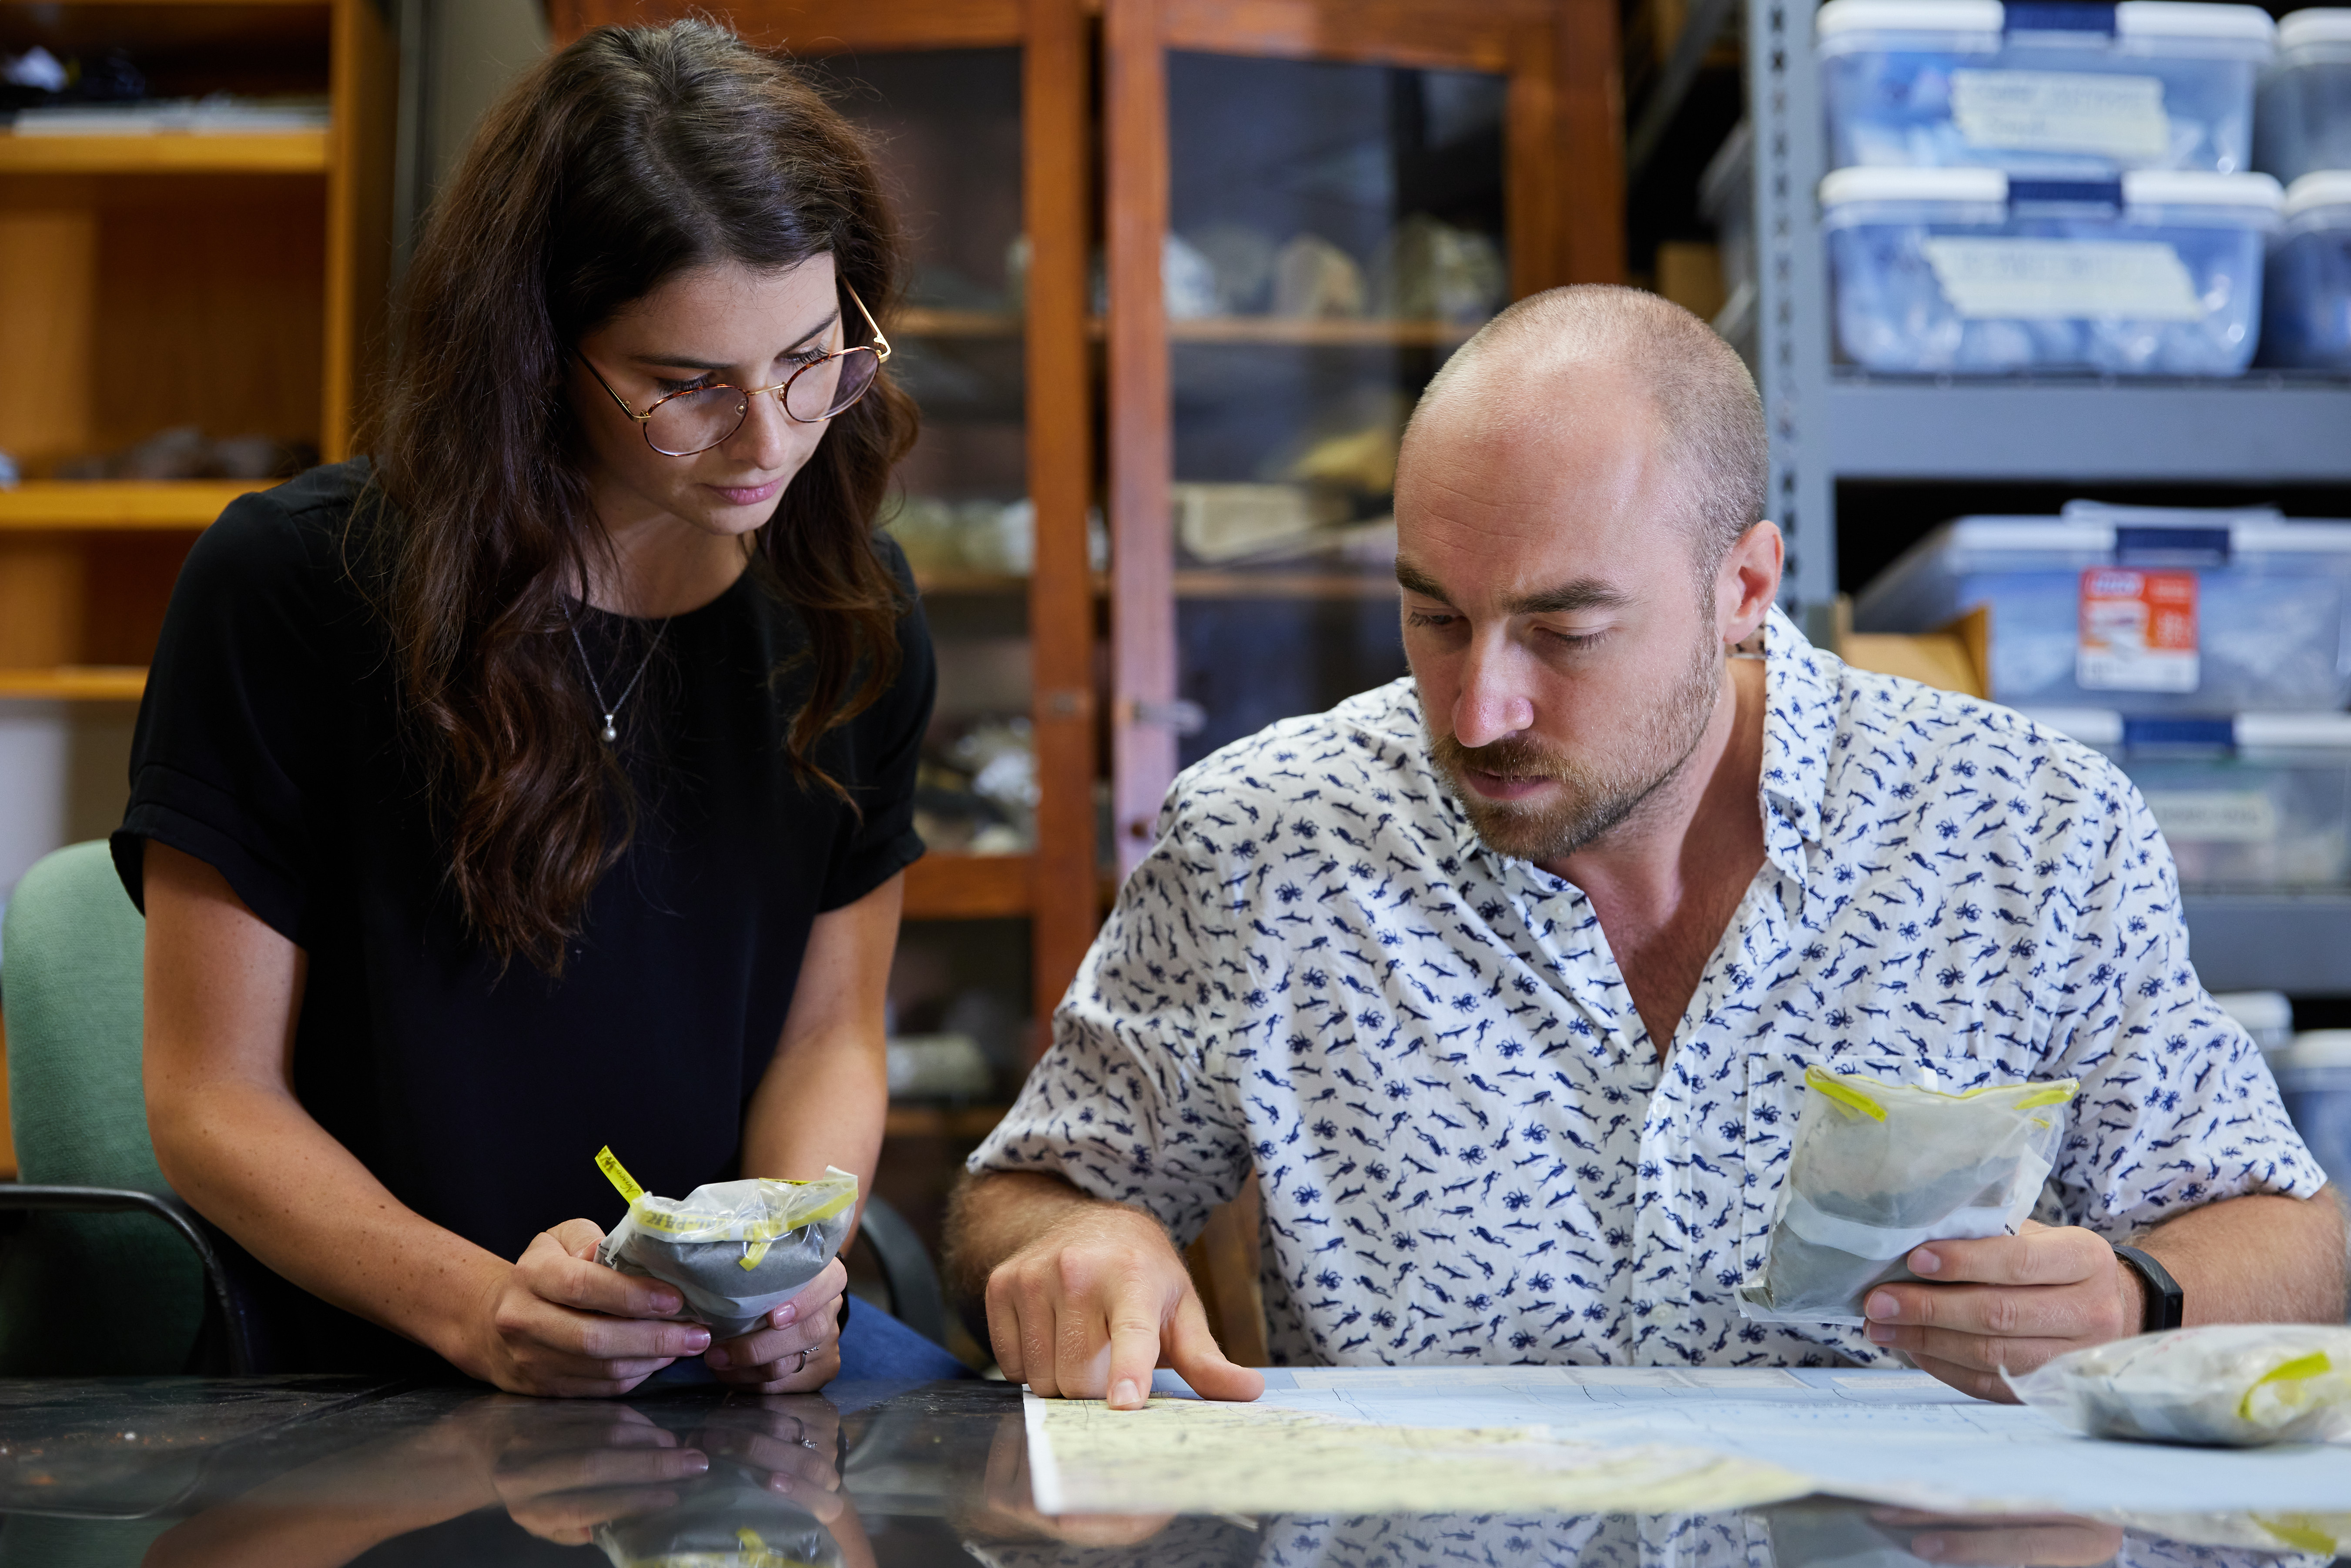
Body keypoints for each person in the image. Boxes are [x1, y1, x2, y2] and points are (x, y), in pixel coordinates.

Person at [946, 285, 2345, 1408]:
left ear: (1740, 584)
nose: (1479, 706)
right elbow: (1018, 1201)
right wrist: (1088, 1241)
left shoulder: (2024, 831)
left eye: (1564, 630)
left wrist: (2134, 1298)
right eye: (1433, 616)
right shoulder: (1266, 842)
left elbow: (2289, 1235)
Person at [122, 21, 960, 1395]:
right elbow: (211, 1101)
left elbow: (831, 1032)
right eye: (685, 387)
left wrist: (795, 1262)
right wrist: (474, 1306)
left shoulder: (849, 609)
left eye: (813, 358)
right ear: (535, 355)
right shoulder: (290, 588)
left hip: (717, 1369)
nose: (772, 442)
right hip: (380, 1376)